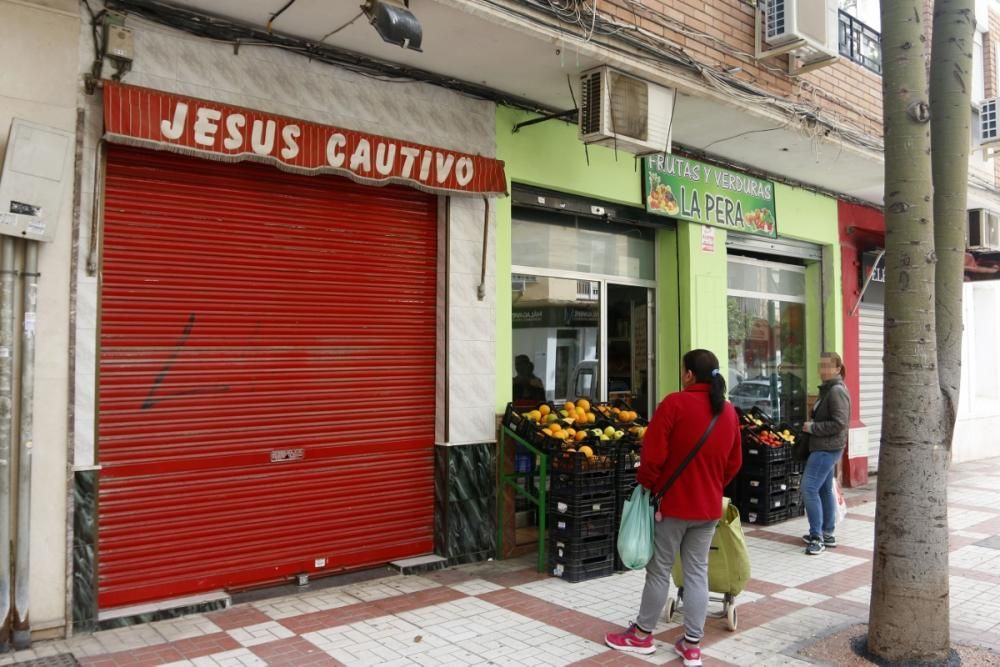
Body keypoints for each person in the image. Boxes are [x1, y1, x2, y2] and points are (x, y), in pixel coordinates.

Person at [605, 349, 743, 665]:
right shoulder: (728, 412)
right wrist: (711, 485)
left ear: (689, 374)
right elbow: (734, 462)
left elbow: (652, 458)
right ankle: (692, 644)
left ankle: (641, 636)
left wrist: (649, 485)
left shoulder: (674, 404)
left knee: (659, 571)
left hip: (671, 506)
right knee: (697, 573)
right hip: (708, 509)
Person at [800, 351, 851, 556]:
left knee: (808, 488)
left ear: (837, 368)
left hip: (826, 447)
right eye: (820, 365)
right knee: (822, 489)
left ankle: (817, 537)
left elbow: (840, 423)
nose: (822, 370)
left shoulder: (836, 391)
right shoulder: (829, 389)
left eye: (827, 366)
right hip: (826, 446)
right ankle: (827, 533)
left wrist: (812, 428)